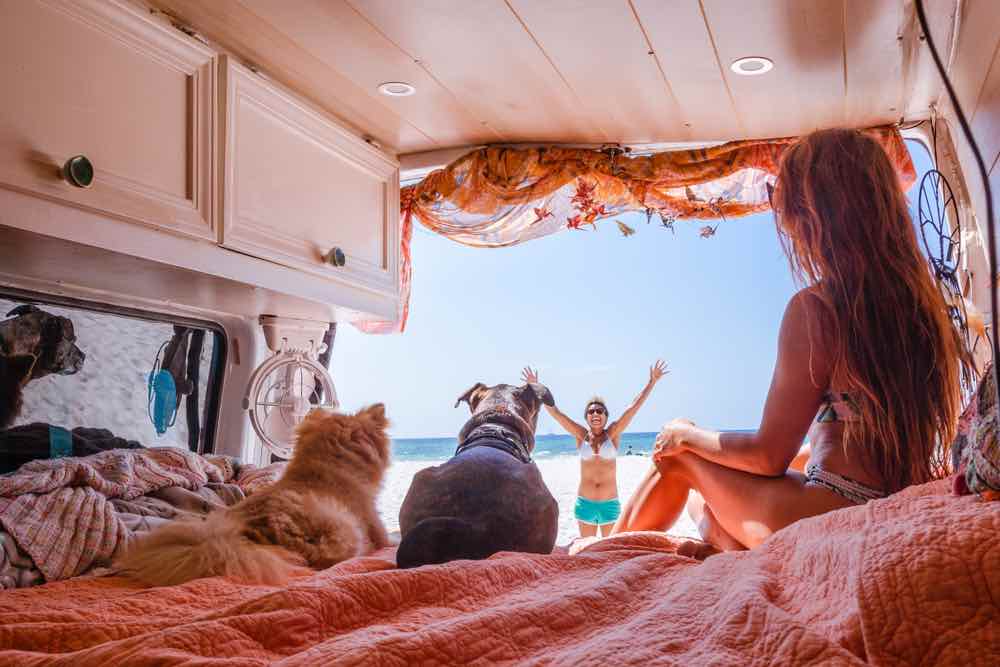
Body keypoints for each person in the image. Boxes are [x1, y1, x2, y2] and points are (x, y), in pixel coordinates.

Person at [611, 128, 969, 551]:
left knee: (677, 462)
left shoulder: (818, 308)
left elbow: (768, 455)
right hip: (883, 501)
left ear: (814, 213)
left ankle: (602, 562)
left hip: (837, 513)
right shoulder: (925, 306)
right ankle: (726, 554)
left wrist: (685, 434)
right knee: (706, 510)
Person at [522, 361, 668, 537]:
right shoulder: (580, 435)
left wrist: (651, 383)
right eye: (591, 412)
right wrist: (537, 388)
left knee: (608, 554)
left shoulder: (613, 433)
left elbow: (633, 407)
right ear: (586, 417)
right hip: (585, 505)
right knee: (588, 553)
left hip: (609, 505)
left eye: (600, 411)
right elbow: (556, 414)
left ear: (606, 416)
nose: (595, 414)